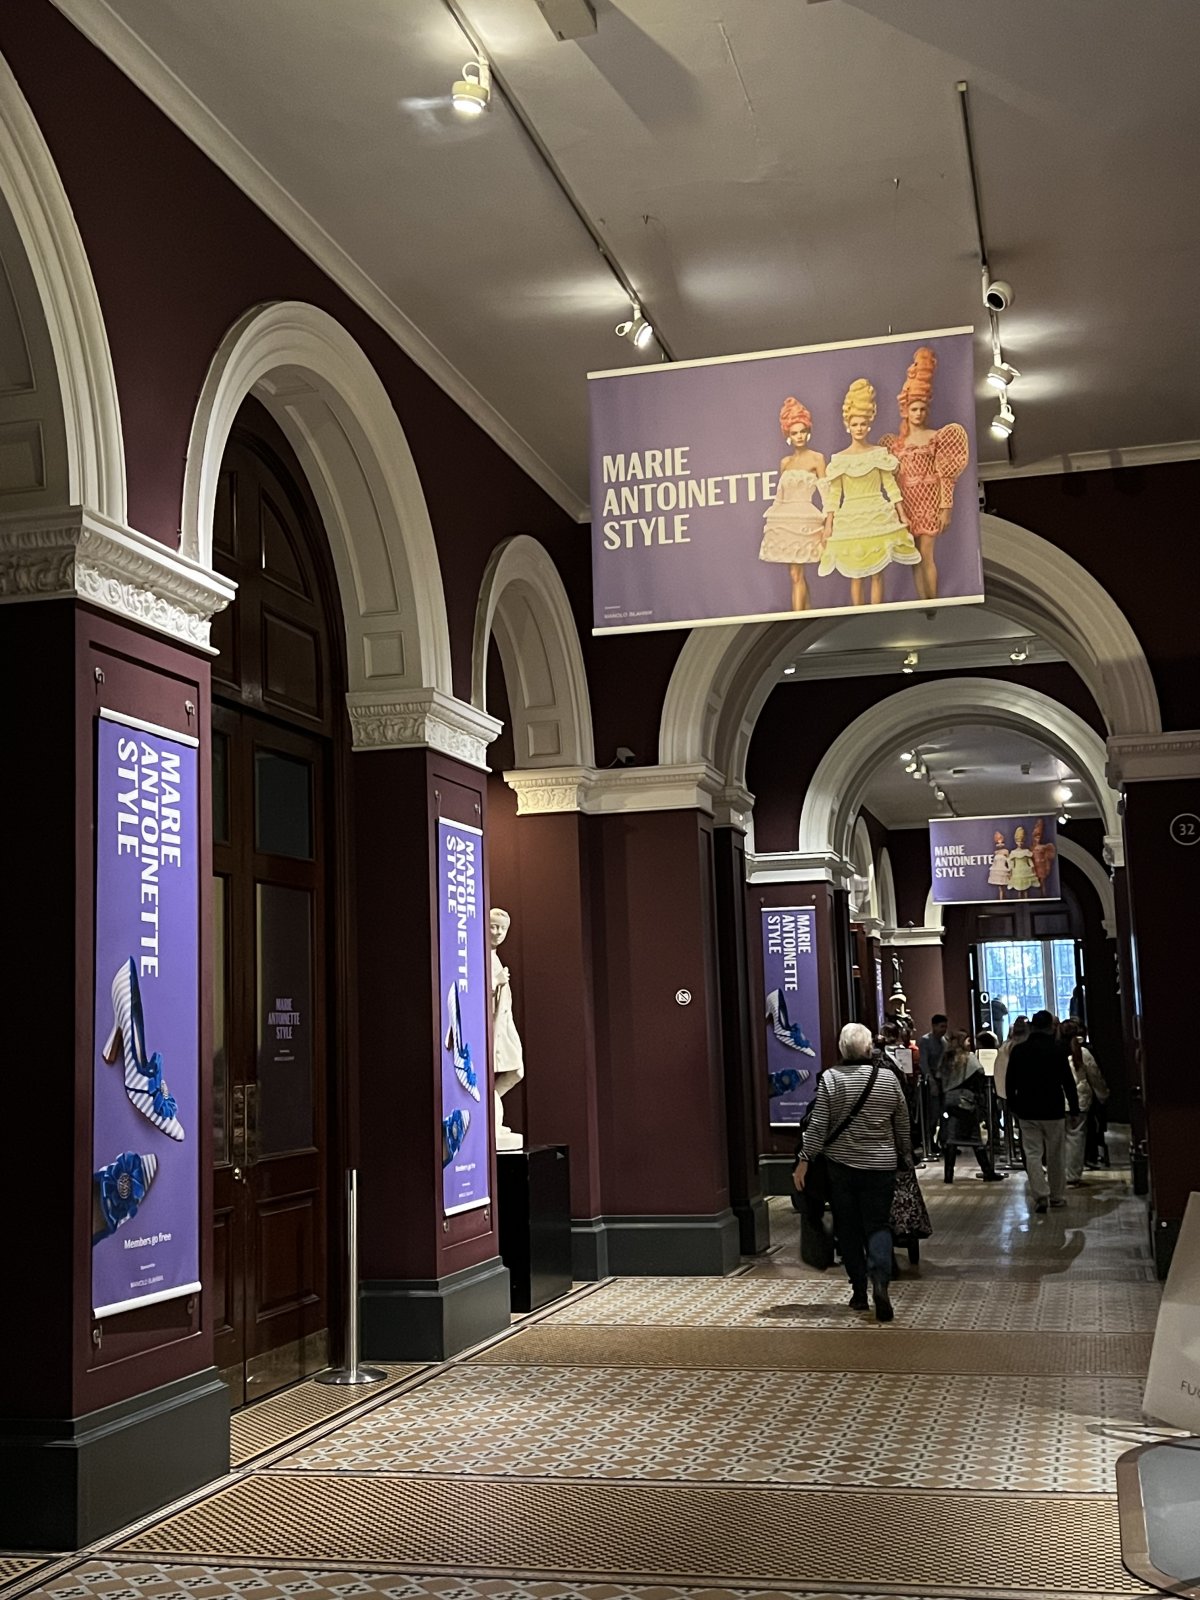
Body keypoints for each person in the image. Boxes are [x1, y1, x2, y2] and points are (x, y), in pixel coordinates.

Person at [795, 1022, 912, 1323]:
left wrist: (805, 1158)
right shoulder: (888, 1078)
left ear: (842, 1048)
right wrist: (905, 1155)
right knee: (877, 1225)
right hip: (881, 1166)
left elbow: (818, 1124)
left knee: (848, 1227)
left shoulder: (831, 1079)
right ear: (869, 1047)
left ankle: (859, 1292)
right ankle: (881, 1283)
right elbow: (902, 1121)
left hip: (841, 1167)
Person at [819, 378, 920, 607]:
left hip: (877, 512)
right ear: (848, 425)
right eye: (855, 424)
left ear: (869, 424)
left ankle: (877, 612)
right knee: (855, 573)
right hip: (851, 517)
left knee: (877, 571)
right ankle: (858, 614)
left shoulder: (878, 454)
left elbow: (890, 485)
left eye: (863, 424)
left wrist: (902, 514)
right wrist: (828, 524)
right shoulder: (840, 459)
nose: (859, 429)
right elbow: (835, 494)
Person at [880, 345, 970, 601]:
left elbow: (946, 473)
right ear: (905, 411)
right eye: (913, 409)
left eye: (921, 408)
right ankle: (923, 600)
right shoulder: (896, 444)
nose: (918, 413)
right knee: (914, 554)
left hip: (930, 501)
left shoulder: (936, 437)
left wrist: (946, 506)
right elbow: (892, 480)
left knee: (927, 552)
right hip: (908, 501)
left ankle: (932, 601)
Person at [1005, 1010, 1080, 1212]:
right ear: (1050, 1027)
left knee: (1032, 1153)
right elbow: (1068, 1082)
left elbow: (1010, 1082)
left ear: (1032, 1027)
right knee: (1056, 1154)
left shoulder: (1019, 1051)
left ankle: (1040, 1194)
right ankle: (1057, 1195)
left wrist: (1013, 1106)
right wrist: (1074, 1109)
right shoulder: (1057, 1050)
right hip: (1053, 1108)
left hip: (1027, 1109)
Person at [758, 397, 828, 612]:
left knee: (798, 573)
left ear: (808, 432)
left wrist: (828, 524)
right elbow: (781, 495)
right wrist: (772, 519)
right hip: (786, 520)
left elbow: (826, 494)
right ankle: (804, 612)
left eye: (802, 431)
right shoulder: (785, 463)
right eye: (794, 432)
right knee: (795, 574)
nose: (799, 436)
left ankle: (799, 616)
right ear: (788, 435)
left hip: (806, 519)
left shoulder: (817, 459)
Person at [938, 1030, 1004, 1182]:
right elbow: (980, 1072)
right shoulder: (969, 1058)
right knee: (974, 1136)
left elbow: (940, 1076)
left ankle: (948, 1176)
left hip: (949, 1100)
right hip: (966, 1100)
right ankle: (987, 1171)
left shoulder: (946, 1058)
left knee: (952, 1138)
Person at [1060, 1019, 1109, 1184]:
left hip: (1059, 1101)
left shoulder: (1057, 1052)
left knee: (1059, 1140)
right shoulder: (1083, 1054)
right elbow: (1095, 1076)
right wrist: (1103, 1095)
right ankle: (1072, 1175)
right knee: (1076, 1139)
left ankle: (1059, 1174)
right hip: (1080, 1100)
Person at [993, 1014, 1029, 1163]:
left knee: (1016, 1125)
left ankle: (1013, 1152)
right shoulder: (1018, 1048)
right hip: (1018, 1093)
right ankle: (1016, 1153)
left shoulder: (1004, 1048)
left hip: (1007, 1092)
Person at [918, 1014, 948, 1151]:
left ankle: (944, 1140)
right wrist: (930, 1080)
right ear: (934, 1026)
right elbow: (924, 1063)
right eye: (941, 1026)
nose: (944, 1029)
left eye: (945, 1026)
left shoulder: (944, 1042)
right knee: (933, 1114)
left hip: (943, 1080)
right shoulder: (925, 1041)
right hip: (931, 1080)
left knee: (944, 1113)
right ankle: (929, 1141)